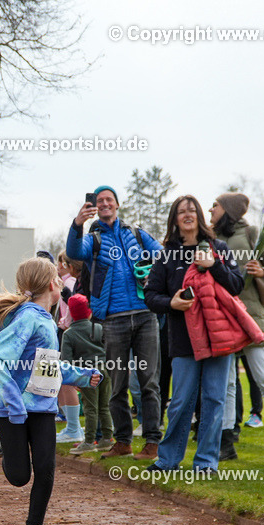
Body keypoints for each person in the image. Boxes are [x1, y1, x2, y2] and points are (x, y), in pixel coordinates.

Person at [0, 257, 102, 525]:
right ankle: (5, 442)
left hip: (44, 408)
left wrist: (83, 377)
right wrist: (14, 403)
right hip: (13, 412)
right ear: (53, 284)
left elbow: (48, 366)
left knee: (46, 468)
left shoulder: (47, 320)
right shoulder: (28, 318)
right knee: (20, 477)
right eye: (58, 279)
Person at [143, 195, 250, 472]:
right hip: (183, 339)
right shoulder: (167, 255)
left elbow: (237, 284)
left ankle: (205, 462)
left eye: (192, 210)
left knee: (214, 400)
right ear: (175, 219)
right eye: (181, 211)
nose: (187, 214)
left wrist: (215, 265)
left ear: (200, 216)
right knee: (181, 401)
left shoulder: (219, 248)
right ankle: (168, 460)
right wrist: (172, 303)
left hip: (219, 338)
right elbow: (151, 295)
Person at [66, 185, 164, 460]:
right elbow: (72, 250)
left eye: (109, 199)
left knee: (149, 383)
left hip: (145, 316)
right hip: (112, 320)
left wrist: (150, 270)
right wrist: (78, 223)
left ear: (117, 205)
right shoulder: (93, 240)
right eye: (100, 201)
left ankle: (152, 442)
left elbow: (162, 255)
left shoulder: (136, 234)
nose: (105, 203)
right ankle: (122, 441)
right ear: (95, 206)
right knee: (117, 384)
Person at [209, 192, 264, 457]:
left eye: (216, 205)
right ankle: (226, 443)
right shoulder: (210, 238)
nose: (210, 209)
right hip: (223, 317)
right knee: (227, 383)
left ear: (229, 210)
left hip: (252, 317)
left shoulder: (253, 233)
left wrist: (263, 271)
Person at [62, 294, 113, 455]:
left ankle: (89, 441)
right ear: (88, 311)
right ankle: (107, 438)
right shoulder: (98, 328)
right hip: (105, 369)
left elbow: (67, 362)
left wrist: (74, 380)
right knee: (104, 405)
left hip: (87, 374)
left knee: (91, 408)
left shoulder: (69, 334)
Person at [55, 251, 86, 443]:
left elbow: (73, 308)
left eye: (60, 263)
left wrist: (65, 323)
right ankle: (71, 425)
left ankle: (74, 426)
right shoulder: (66, 283)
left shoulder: (68, 284)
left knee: (66, 380)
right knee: (61, 379)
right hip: (67, 330)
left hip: (69, 331)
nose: (57, 266)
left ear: (67, 265)